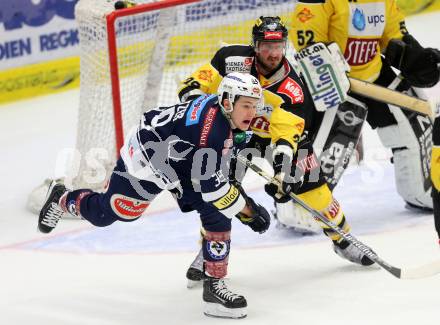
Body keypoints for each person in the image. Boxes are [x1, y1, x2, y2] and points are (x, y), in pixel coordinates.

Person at [38, 72, 271, 319]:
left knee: (218, 209)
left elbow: (216, 174)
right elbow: (213, 187)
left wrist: (238, 197)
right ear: (227, 102)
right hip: (149, 156)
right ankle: (62, 198)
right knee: (111, 213)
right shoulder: (212, 131)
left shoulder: (223, 116)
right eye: (246, 105)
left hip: (181, 157)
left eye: (254, 106)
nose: (251, 112)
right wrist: (250, 211)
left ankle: (213, 281)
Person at [179, 16, 375, 288]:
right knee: (221, 192)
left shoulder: (292, 90)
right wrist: (191, 94)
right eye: (266, 46)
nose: (272, 53)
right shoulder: (233, 59)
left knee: (316, 193)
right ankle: (209, 251)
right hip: (239, 133)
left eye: (278, 46)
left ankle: (343, 239)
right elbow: (201, 79)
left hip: (279, 138)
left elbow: (287, 134)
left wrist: (283, 173)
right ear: (255, 45)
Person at [291, 0, 439, 213]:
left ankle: (420, 191)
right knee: (329, 145)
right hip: (329, 80)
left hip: (373, 74)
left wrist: (413, 57)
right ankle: (301, 205)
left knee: (417, 124)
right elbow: (306, 42)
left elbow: (394, 34)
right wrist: (332, 77)